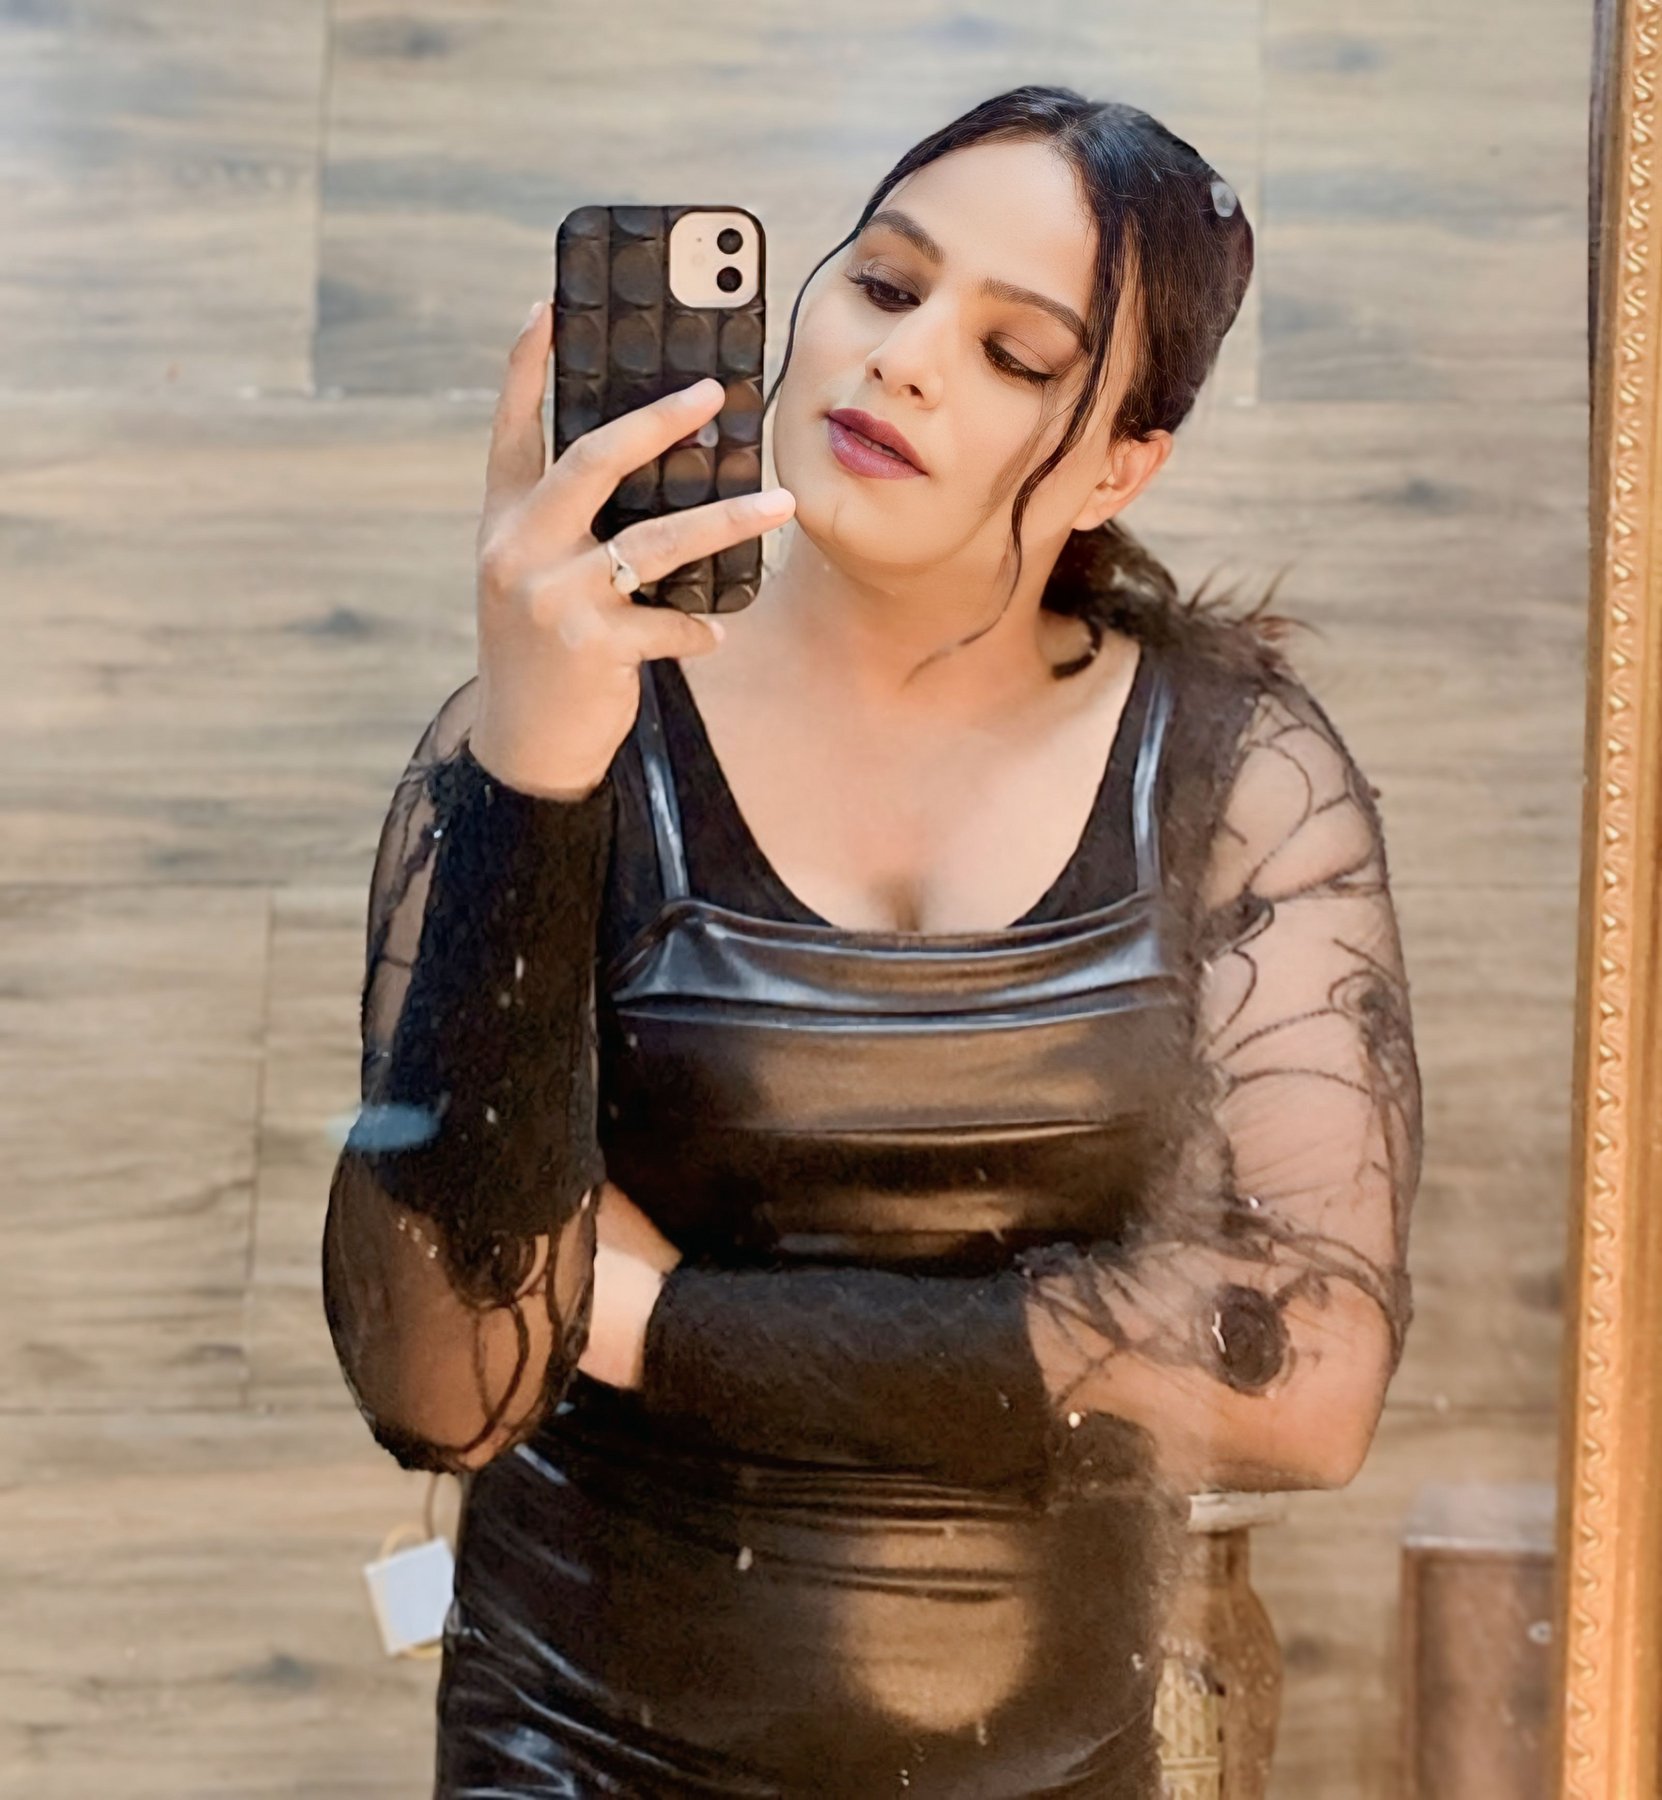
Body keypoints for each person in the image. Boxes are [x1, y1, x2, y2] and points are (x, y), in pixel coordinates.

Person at [321, 85, 1421, 1799]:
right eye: (886, 285)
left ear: (1122, 464)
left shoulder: (1236, 774)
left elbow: (1304, 1376)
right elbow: (443, 1378)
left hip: (1060, 1761)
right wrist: (534, 767)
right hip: (575, 1745)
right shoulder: (557, 736)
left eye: (1016, 354)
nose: (904, 361)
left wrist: (659, 1323)